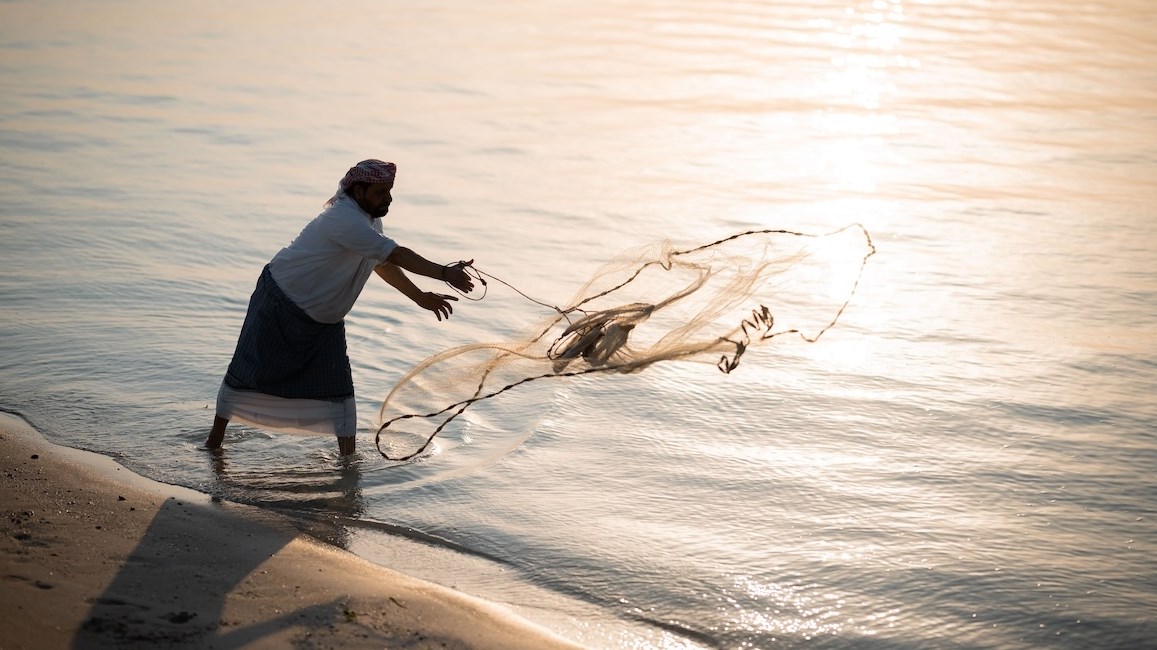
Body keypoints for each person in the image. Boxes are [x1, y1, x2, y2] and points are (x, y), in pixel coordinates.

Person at [205, 159, 475, 456]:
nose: (388, 199)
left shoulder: (370, 222)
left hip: (324, 322)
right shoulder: (343, 219)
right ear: (358, 191)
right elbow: (395, 253)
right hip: (280, 301)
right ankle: (213, 445)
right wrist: (445, 273)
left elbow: (381, 261)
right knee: (245, 377)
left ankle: (348, 462)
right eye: (381, 192)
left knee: (339, 393)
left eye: (390, 191)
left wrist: (419, 297)